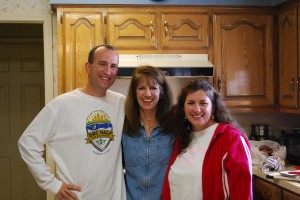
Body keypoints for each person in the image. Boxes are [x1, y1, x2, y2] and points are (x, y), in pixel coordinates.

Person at [18, 44, 126, 200]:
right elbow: (27, 143)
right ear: (88, 67)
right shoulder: (62, 105)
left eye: (113, 66)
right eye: (102, 64)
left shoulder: (120, 102)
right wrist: (53, 184)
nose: (108, 71)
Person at [162, 78, 252, 200]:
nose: (197, 109)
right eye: (191, 103)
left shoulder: (231, 138)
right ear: (183, 108)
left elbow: (243, 192)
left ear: (213, 108)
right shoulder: (181, 139)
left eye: (203, 103)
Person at [122, 65, 175, 200]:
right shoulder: (123, 126)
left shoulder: (174, 126)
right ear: (134, 92)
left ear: (161, 92)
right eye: (141, 88)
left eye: (153, 88)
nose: (147, 94)